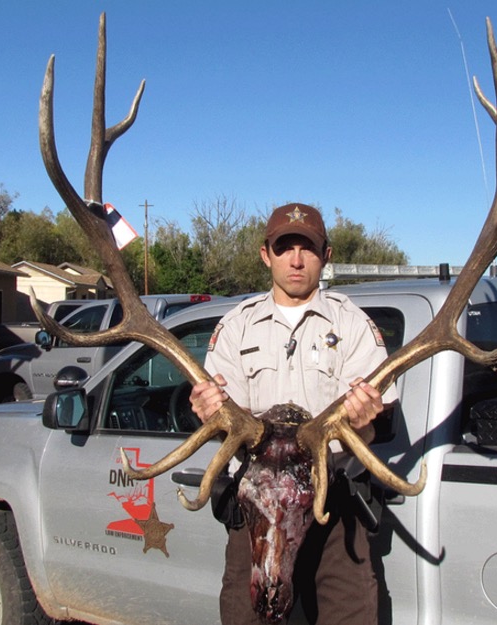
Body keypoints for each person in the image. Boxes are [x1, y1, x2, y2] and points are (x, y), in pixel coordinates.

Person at [189, 202, 397, 624]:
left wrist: (365, 421)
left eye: (308, 249)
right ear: (266, 255)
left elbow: (378, 425)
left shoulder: (353, 325)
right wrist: (208, 414)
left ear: (326, 256)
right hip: (256, 511)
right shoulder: (236, 327)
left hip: (333, 511)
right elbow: (225, 427)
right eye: (285, 248)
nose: (296, 260)